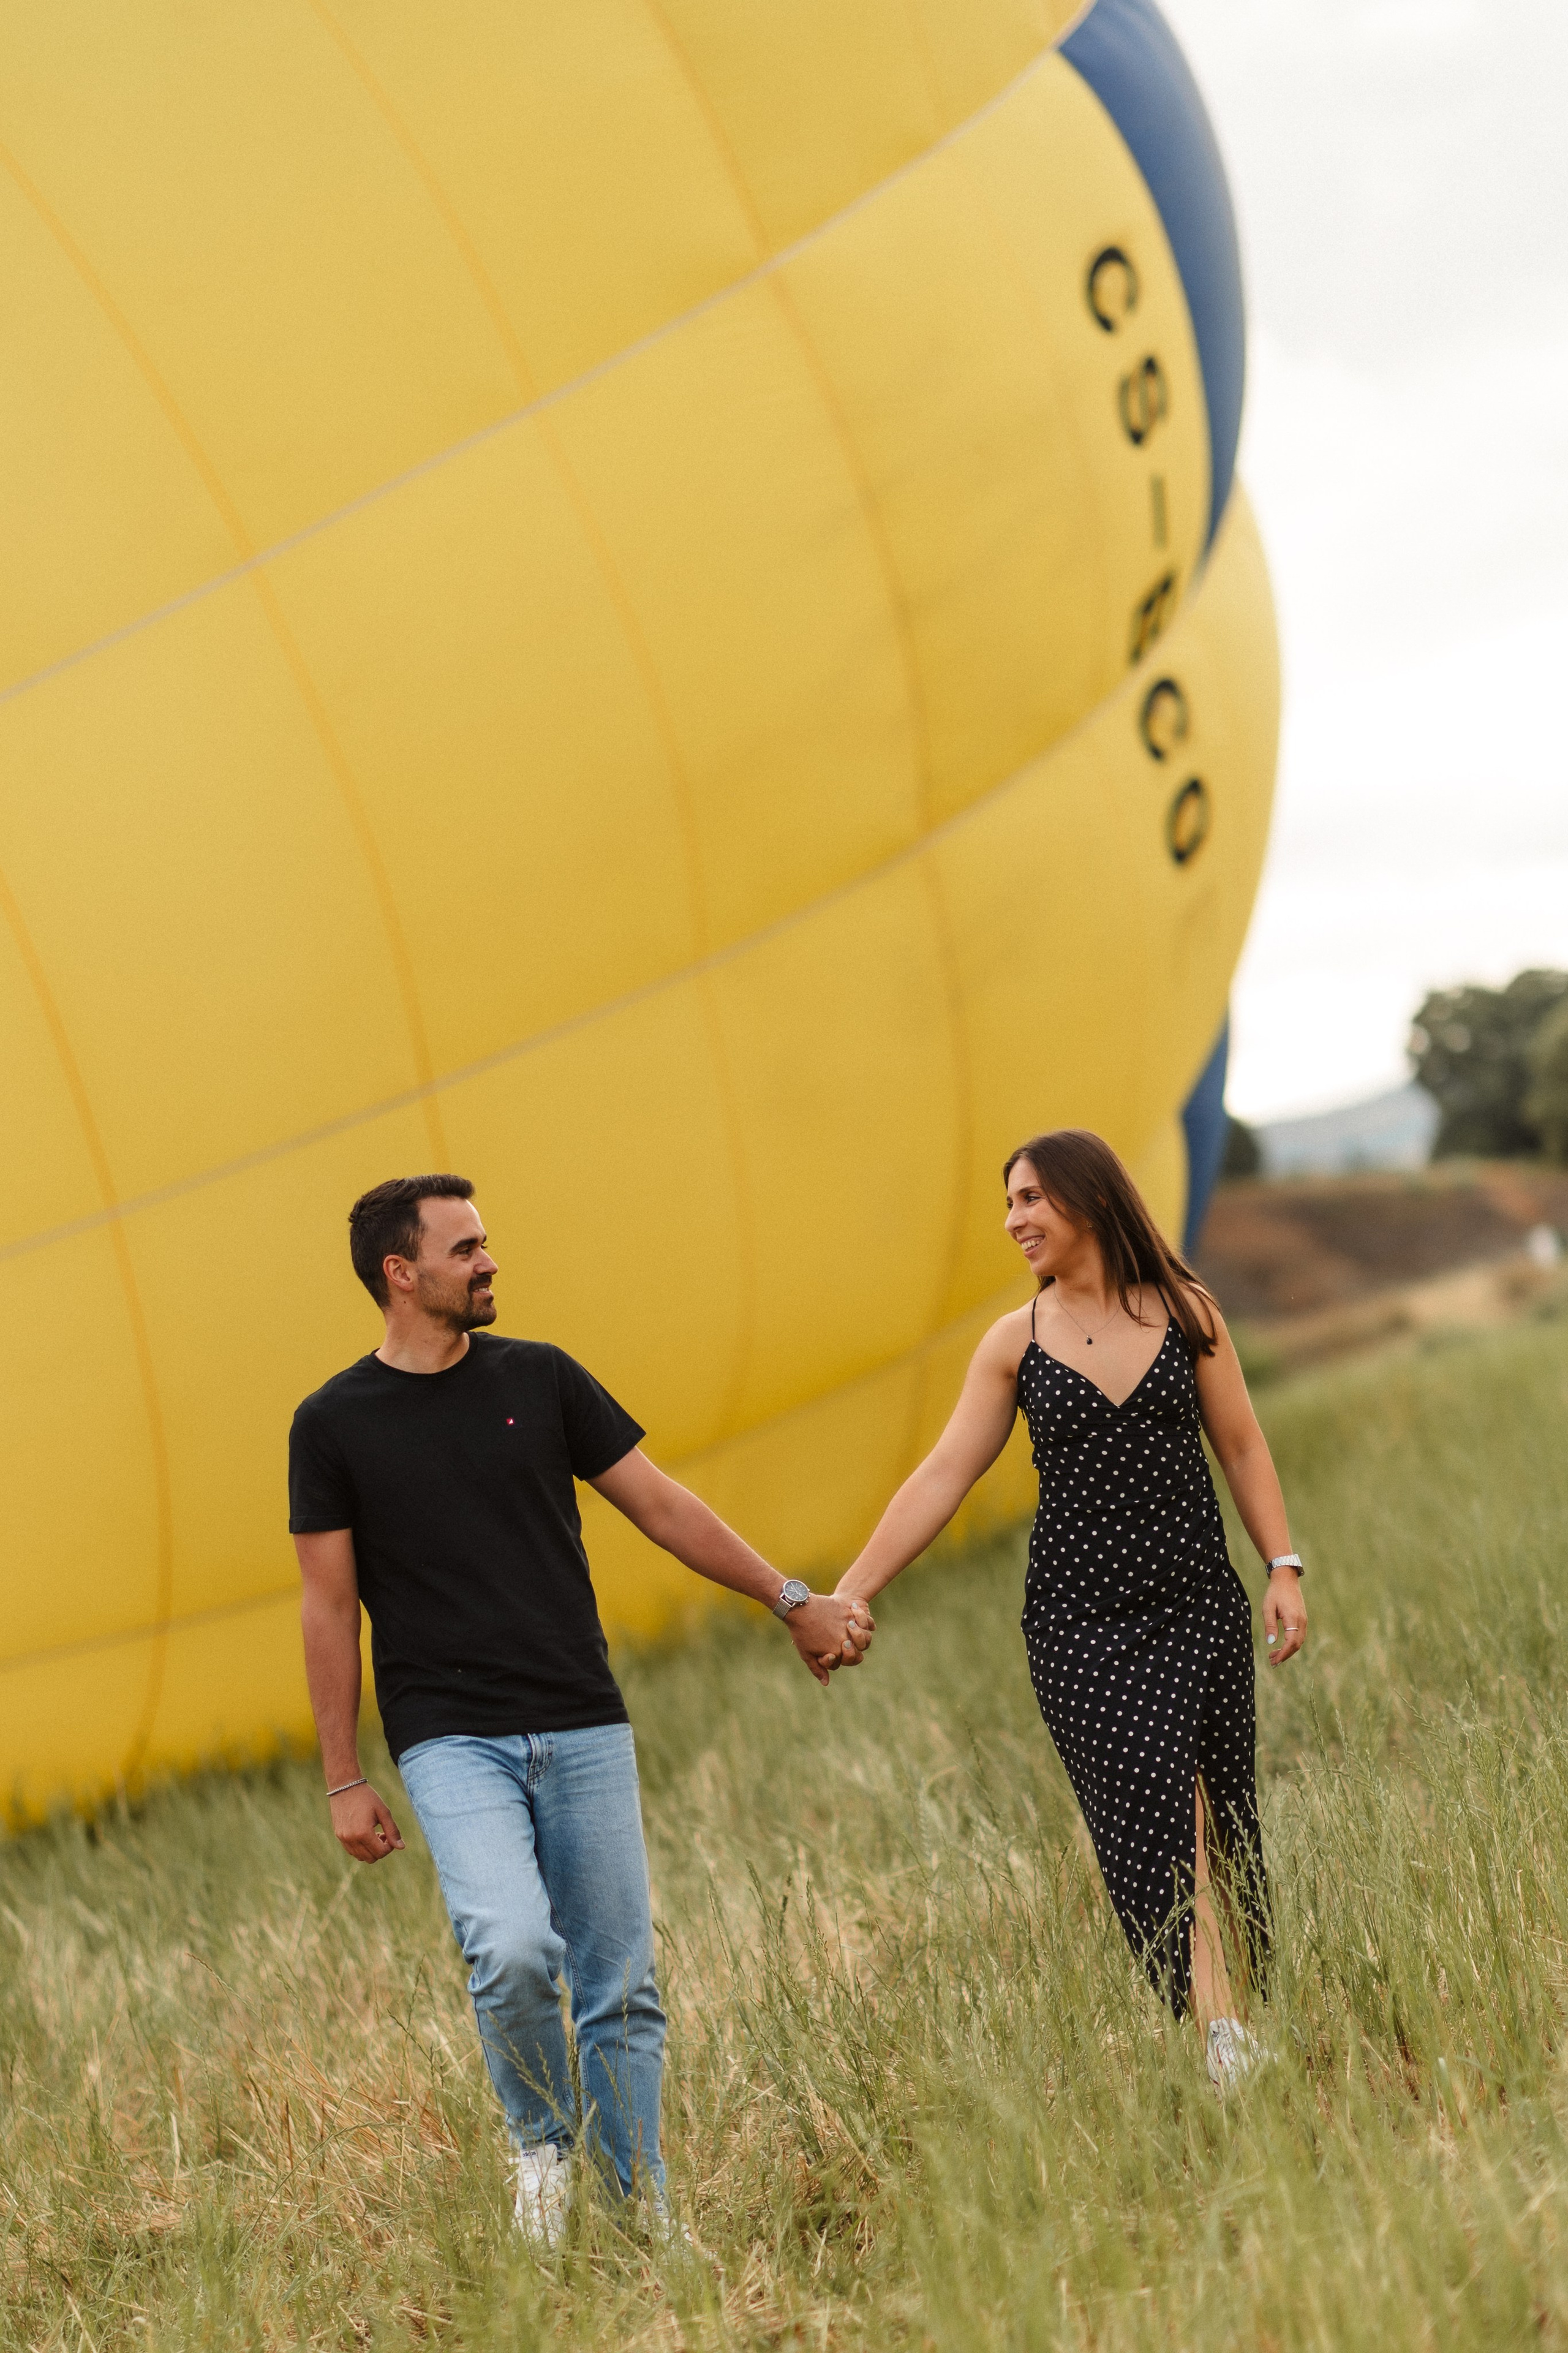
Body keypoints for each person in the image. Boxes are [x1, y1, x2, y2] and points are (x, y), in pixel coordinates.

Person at [288, 1174, 873, 2245]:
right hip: (448, 1736)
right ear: (400, 1273)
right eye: (464, 1248)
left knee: (619, 1980)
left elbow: (661, 1504)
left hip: (583, 1718)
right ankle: (542, 2144)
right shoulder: (331, 1424)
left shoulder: (542, 1378)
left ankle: (640, 2203)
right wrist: (343, 1772)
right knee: (510, 1945)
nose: (489, 1260)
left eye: (485, 1242)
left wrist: (788, 1597)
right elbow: (329, 1608)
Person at [832, 1130, 1305, 2090]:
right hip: (1081, 1626)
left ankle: (1234, 2015)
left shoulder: (1185, 1310)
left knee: (1220, 1813)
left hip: (1196, 1604)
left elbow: (1245, 1448)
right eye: (1008, 1203)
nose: (1014, 1221)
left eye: (1030, 1199)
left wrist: (1283, 1566)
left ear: (1088, 1198)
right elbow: (942, 1475)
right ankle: (1217, 2029)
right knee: (1153, 1819)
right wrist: (854, 1587)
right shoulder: (1016, 1343)